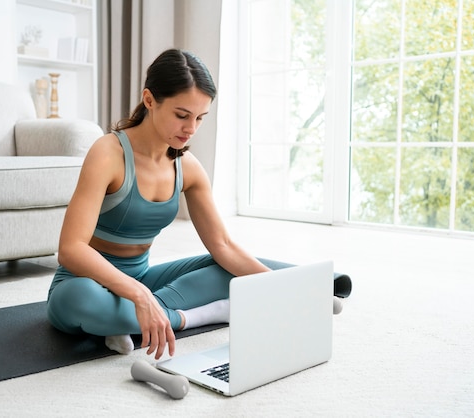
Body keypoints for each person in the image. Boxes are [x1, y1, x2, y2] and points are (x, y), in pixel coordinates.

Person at [46, 48, 351, 360]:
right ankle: (198, 315)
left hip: (147, 281)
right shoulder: (108, 154)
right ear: (150, 100)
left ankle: (306, 285)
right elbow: (71, 250)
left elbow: (223, 246)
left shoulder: (187, 167)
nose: (191, 129)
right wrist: (138, 295)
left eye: (200, 118)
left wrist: (277, 287)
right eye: (182, 115)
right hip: (83, 282)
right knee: (81, 300)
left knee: (230, 267)